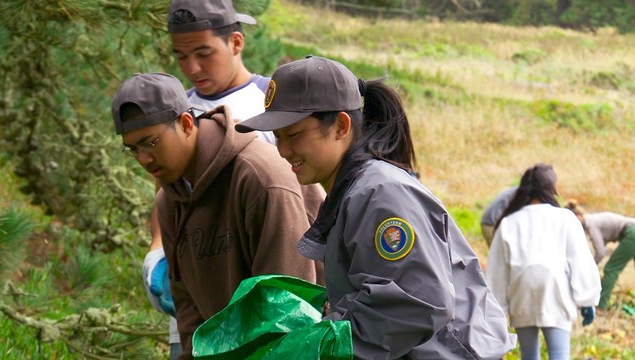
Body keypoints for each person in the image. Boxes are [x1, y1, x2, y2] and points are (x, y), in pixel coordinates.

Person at [235, 55, 516, 359]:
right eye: (277, 138)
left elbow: (418, 302)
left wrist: (321, 344)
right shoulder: (351, 191)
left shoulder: (379, 193)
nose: (284, 151)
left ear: (341, 126)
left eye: (293, 135)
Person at [112, 72, 321, 360]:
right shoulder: (169, 202)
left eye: (150, 143)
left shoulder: (259, 177)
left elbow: (287, 307)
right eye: (132, 149)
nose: (143, 159)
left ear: (186, 124)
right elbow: (188, 314)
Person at [142, 1, 304, 357]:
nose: (192, 67)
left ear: (235, 42)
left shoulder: (273, 106)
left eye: (203, 53)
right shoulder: (174, 112)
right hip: (197, 308)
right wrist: (157, 254)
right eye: (181, 56)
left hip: (265, 297)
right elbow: (166, 195)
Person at [486, 164, 601, 360]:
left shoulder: (509, 222)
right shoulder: (565, 218)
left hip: (521, 292)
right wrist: (587, 299)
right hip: (555, 292)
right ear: (551, 189)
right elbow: (580, 260)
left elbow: (498, 271)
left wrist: (497, 309)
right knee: (559, 354)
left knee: (529, 356)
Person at [566, 200, 635, 310]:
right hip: (631, 230)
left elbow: (600, 252)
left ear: (578, 217)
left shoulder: (591, 224)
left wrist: (589, 267)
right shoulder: (593, 220)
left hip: (632, 233)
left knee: (611, 269)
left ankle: (600, 305)